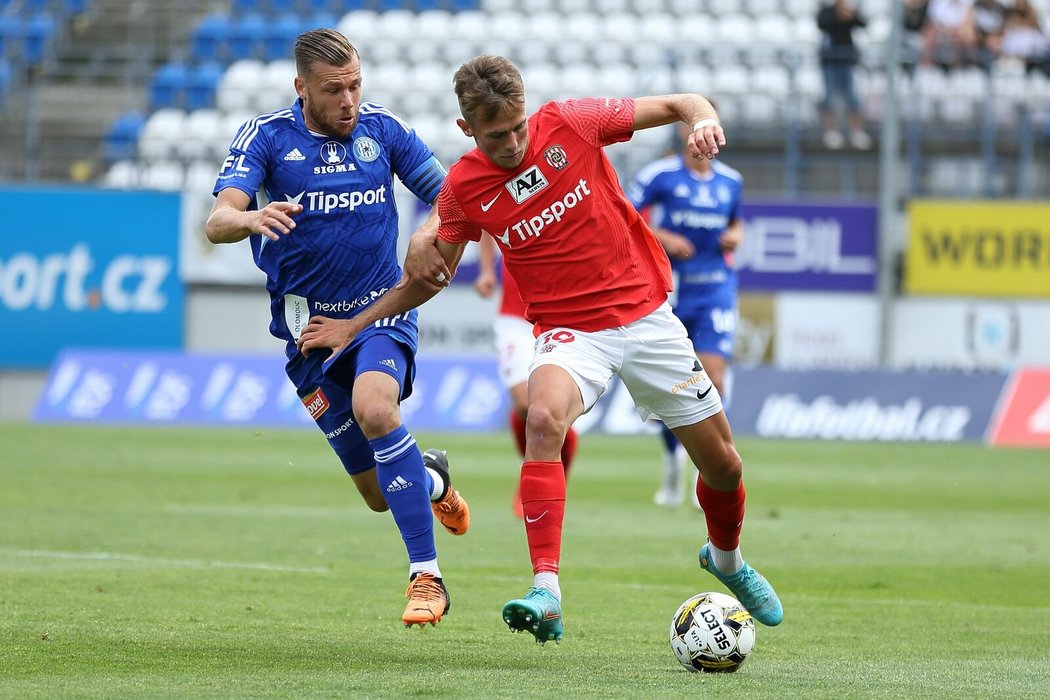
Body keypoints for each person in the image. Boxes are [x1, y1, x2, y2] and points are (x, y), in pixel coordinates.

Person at [298, 54, 783, 645]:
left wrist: (702, 119)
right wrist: (355, 326)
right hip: (569, 333)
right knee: (543, 418)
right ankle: (545, 590)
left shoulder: (572, 122)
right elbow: (427, 281)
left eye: (519, 126)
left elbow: (684, 103)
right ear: (467, 130)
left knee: (725, 465)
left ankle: (726, 560)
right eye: (497, 134)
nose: (513, 141)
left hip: (648, 319)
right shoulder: (464, 189)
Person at [203, 28, 470, 629]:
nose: (348, 100)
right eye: (332, 90)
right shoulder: (267, 138)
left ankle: (426, 577)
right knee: (379, 494)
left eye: (354, 86)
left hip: (379, 313)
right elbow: (216, 221)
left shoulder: (384, 130)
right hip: (309, 334)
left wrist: (428, 232)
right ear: (302, 88)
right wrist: (250, 216)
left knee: (377, 409)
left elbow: (453, 194)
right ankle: (429, 480)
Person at [626, 122, 744, 510]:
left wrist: (736, 235)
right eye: (693, 129)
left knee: (715, 379)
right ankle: (673, 462)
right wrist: (663, 236)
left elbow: (736, 221)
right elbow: (624, 212)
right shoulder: (660, 175)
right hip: (670, 290)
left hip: (715, 290)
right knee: (670, 385)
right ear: (681, 132)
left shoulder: (731, 182)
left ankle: (705, 470)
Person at [474, 235, 579, 519]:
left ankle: (550, 477)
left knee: (547, 409)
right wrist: (486, 269)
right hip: (514, 317)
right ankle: (532, 472)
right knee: (524, 403)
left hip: (558, 314)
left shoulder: (568, 196)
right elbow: (484, 227)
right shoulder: (505, 193)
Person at [816, 0, 872, 150]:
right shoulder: (827, 11)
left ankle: (857, 131)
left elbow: (864, 23)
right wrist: (841, 17)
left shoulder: (850, 11)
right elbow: (823, 24)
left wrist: (850, 15)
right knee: (829, 98)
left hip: (847, 61)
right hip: (831, 62)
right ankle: (831, 132)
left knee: (853, 98)